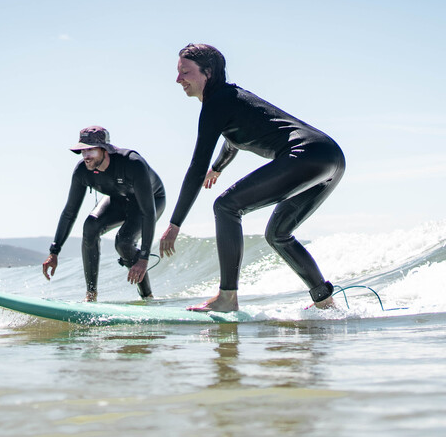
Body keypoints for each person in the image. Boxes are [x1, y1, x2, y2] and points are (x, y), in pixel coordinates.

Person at [160, 44, 346, 312]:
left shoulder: (216, 103)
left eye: (185, 72)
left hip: (306, 155)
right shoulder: (231, 98)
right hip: (330, 158)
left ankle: (227, 297)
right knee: (278, 234)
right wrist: (219, 167)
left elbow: (195, 167)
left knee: (226, 206)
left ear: (207, 73)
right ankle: (324, 301)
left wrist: (175, 223)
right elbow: (232, 141)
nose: (178, 79)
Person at [43, 126, 166, 301]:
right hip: (118, 198)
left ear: (104, 149)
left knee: (124, 242)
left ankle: (148, 297)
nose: (86, 156)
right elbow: (69, 212)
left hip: (151, 201)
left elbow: (148, 212)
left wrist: (144, 258)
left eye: (91, 150)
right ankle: (91, 295)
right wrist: (54, 251)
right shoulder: (82, 172)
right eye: (83, 150)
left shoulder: (132, 163)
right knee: (90, 225)